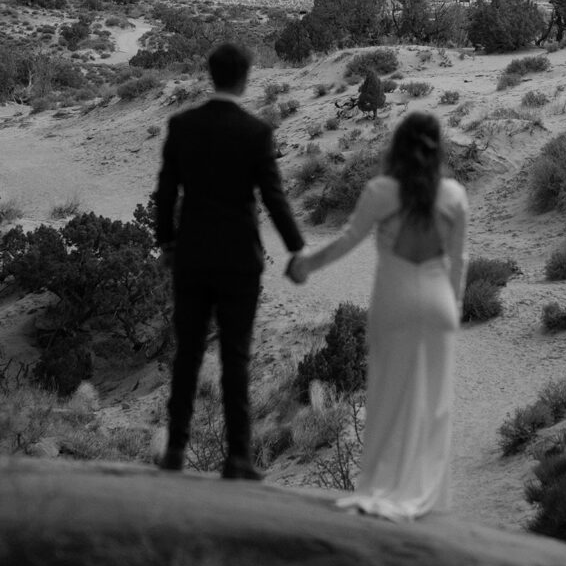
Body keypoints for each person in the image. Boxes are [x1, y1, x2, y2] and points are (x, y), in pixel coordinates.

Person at [288, 112, 468, 520]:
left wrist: (305, 265)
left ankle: (384, 487)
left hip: (396, 300)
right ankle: (425, 494)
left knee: (387, 396)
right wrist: (454, 308)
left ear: (397, 147)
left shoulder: (381, 191)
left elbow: (345, 242)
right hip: (439, 303)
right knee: (434, 402)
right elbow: (459, 259)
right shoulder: (455, 195)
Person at [155, 42, 304, 479]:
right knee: (236, 357)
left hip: (193, 255)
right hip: (240, 258)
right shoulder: (256, 132)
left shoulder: (182, 125)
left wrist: (167, 244)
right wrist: (295, 247)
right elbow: (273, 198)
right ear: (245, 77)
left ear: (210, 74)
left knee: (188, 353)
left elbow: (166, 192)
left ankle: (175, 451)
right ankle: (238, 456)